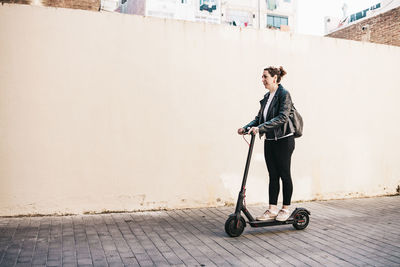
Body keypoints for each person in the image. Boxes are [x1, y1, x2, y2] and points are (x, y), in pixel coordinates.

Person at [237, 66, 295, 222]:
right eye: (262, 77)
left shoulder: (284, 94)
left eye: (265, 77)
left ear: (274, 78)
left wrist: (260, 128)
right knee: (273, 176)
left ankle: (285, 208)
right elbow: (259, 119)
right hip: (270, 141)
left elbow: (282, 117)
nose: (262, 80)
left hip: (284, 140)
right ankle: (272, 209)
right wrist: (247, 127)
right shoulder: (266, 97)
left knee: (284, 174)